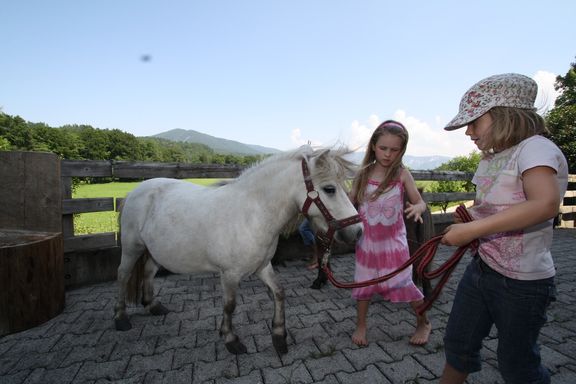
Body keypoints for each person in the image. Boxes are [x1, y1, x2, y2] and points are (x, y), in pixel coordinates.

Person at [439, 73, 569, 384]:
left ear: (504, 115)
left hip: (523, 284)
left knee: (517, 364)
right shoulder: (490, 159)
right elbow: (492, 209)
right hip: (483, 269)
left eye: (474, 122)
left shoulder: (535, 149)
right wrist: (470, 219)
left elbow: (544, 204)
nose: (468, 131)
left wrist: (472, 231)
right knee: (458, 343)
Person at [349, 119, 431, 346]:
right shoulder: (363, 174)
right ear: (373, 146)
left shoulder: (402, 174)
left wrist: (418, 207)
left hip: (394, 244)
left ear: (402, 150)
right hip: (367, 244)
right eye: (383, 148)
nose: (387, 154)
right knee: (363, 284)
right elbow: (349, 203)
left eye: (394, 150)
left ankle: (424, 322)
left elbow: (420, 202)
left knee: (404, 283)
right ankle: (361, 325)